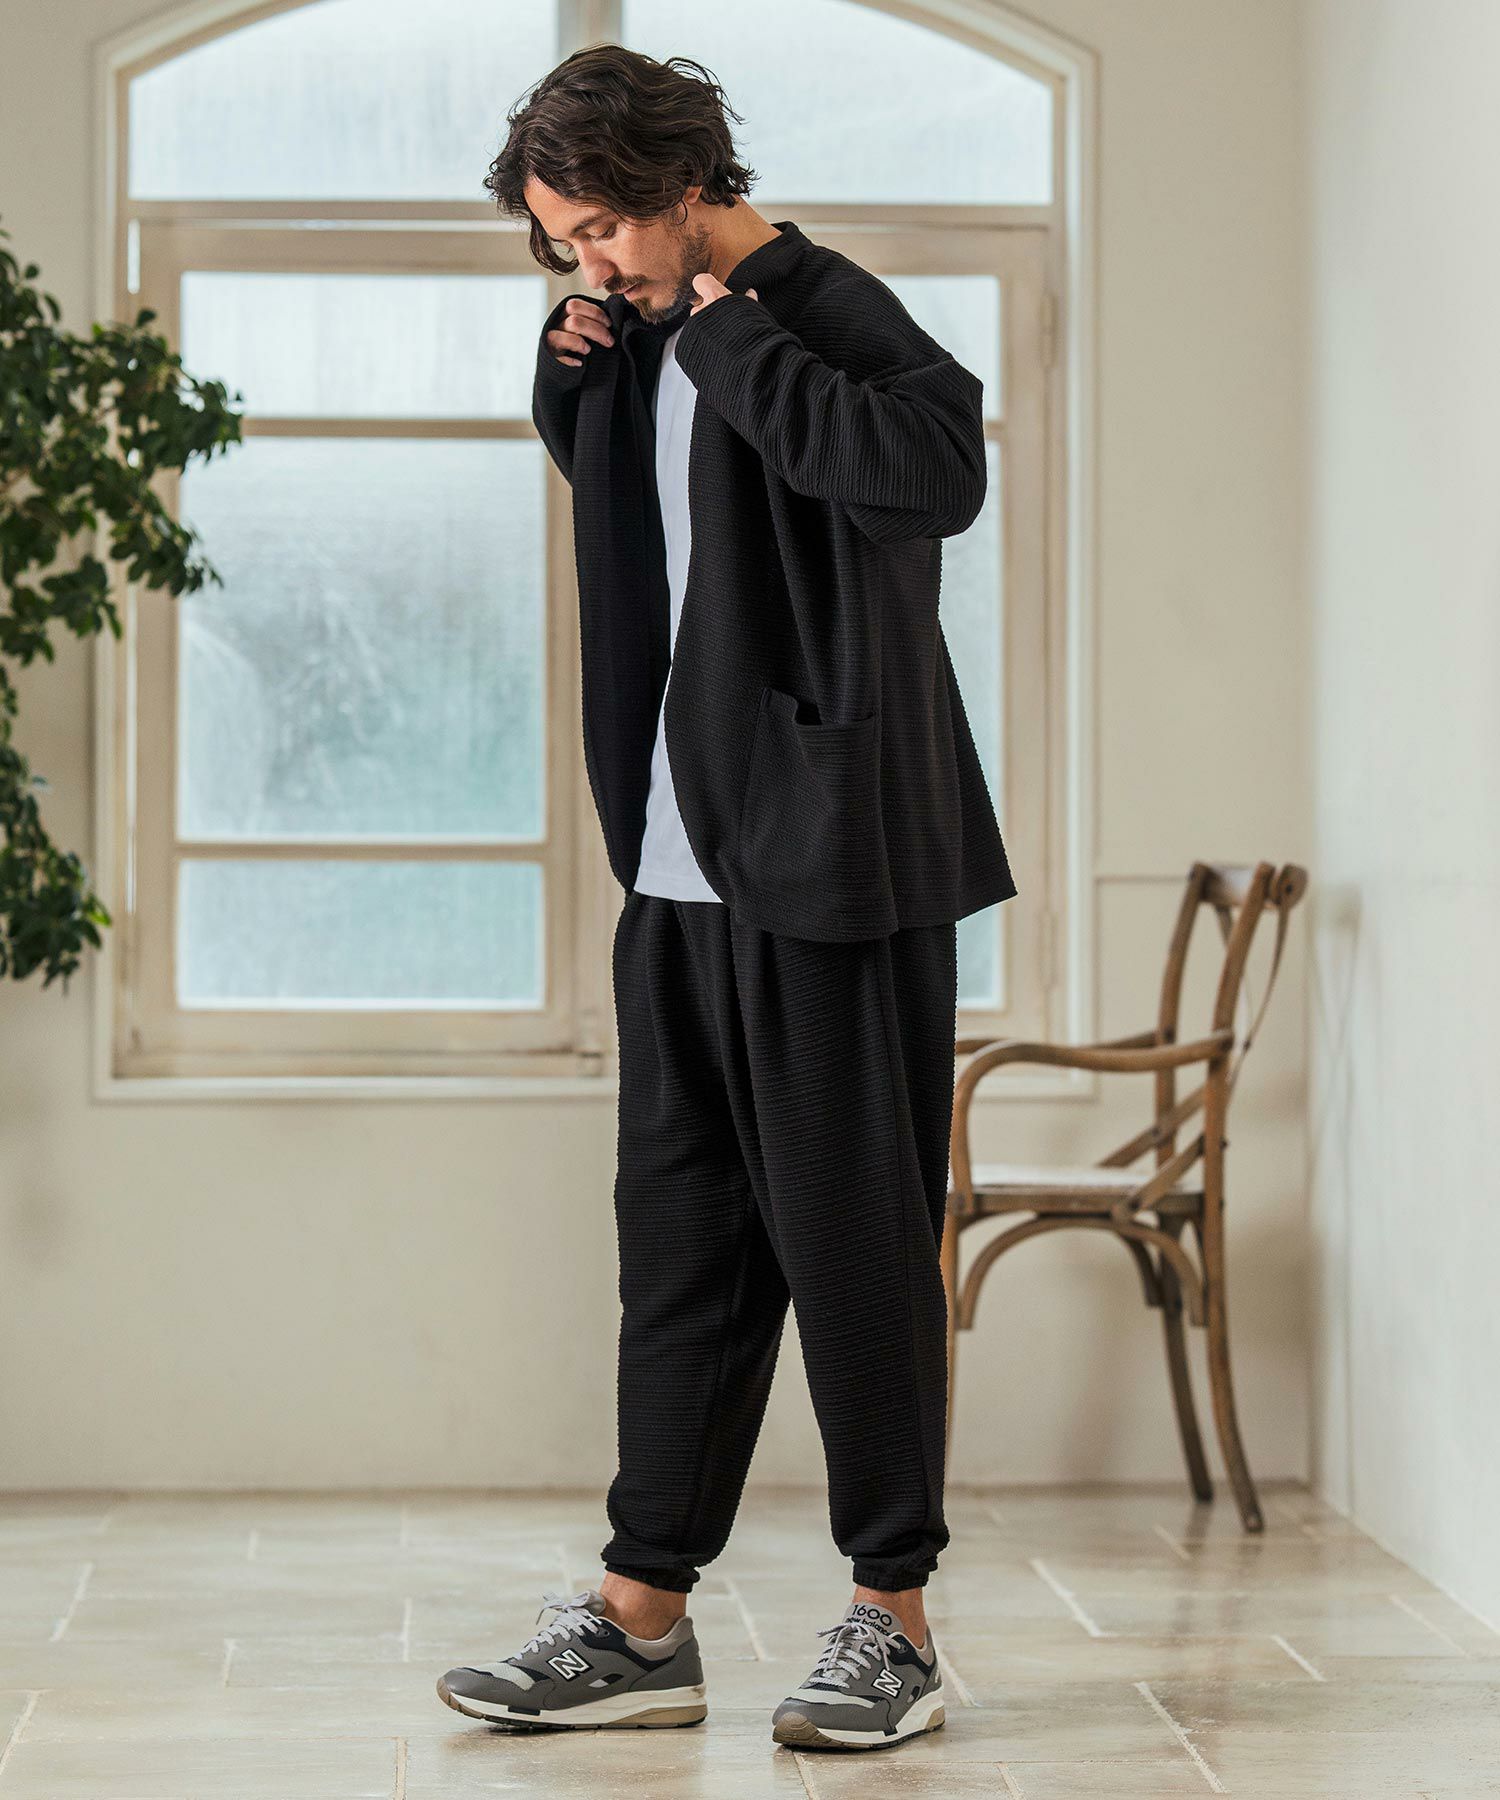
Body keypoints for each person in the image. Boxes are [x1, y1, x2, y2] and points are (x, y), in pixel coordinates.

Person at [437, 43, 1016, 1752]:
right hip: (681, 864)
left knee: (853, 1245)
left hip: (836, 862)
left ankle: (894, 1623)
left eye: (604, 229)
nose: (590, 261)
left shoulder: (825, 308)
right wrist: (579, 379)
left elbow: (934, 474)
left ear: (687, 184)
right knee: (681, 1247)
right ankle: (641, 1621)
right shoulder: (643, 323)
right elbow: (673, 542)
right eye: (563, 242)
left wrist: (733, 335)